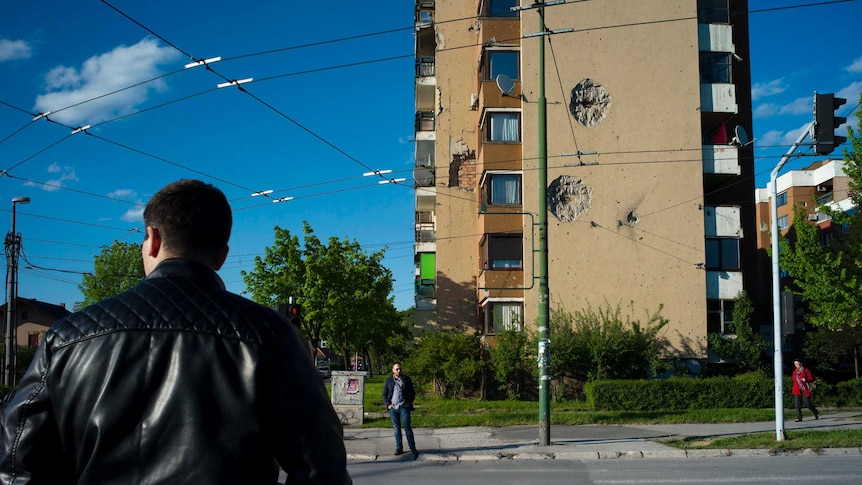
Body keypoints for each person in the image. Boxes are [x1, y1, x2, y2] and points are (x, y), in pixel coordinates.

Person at [0, 179, 351, 484]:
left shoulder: (69, 338)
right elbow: (324, 470)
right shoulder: (273, 337)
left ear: (152, 239)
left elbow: (17, 462)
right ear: (222, 255)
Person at [382, 362, 418, 458]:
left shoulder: (406, 380)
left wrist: (408, 403)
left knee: (407, 427)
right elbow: (384, 394)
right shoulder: (389, 381)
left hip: (404, 407)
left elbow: (412, 393)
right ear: (393, 370)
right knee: (396, 428)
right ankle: (399, 448)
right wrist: (388, 405)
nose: (399, 371)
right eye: (397, 369)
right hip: (393, 408)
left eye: (400, 369)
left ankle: (412, 447)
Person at [792, 357, 819, 422]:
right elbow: (793, 378)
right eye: (795, 364)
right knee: (797, 404)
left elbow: (811, 378)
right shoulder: (795, 371)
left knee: (807, 403)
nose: (796, 365)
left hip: (804, 389)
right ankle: (799, 418)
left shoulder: (805, 370)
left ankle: (815, 412)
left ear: (800, 364)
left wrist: (805, 379)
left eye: (797, 364)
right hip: (797, 389)